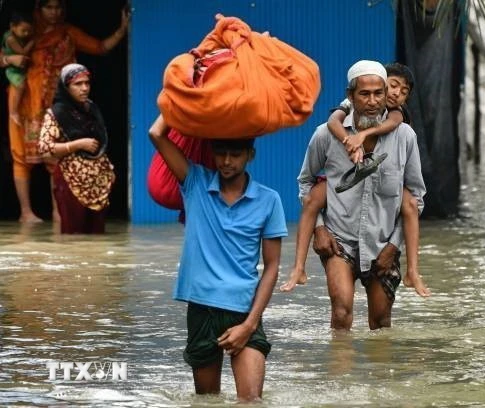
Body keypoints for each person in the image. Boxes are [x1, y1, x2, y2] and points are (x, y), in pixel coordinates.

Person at [148, 115, 287, 401]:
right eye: (220, 153)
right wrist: (184, 88)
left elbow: (272, 267)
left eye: (235, 154)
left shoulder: (269, 200)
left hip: (244, 311)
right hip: (201, 309)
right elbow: (156, 134)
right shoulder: (195, 182)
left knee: (251, 401)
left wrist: (249, 325)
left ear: (250, 154)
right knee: (207, 400)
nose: (226, 161)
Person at [296, 60, 426, 331]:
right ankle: (341, 374)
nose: (373, 101)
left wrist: (394, 244)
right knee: (341, 312)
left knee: (380, 323)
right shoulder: (326, 134)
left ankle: (378, 374)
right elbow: (306, 182)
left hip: (383, 241)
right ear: (350, 95)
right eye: (364, 94)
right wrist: (319, 229)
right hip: (339, 240)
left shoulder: (405, 137)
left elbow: (415, 197)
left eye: (379, 93)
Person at [6, 0, 129, 223]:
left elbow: (100, 47)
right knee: (21, 158)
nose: (54, 13)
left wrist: (122, 30)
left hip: (57, 105)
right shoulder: (25, 31)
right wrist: (9, 59)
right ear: (38, 8)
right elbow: (5, 52)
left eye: (58, 7)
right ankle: (26, 212)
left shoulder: (68, 33)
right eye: (49, 7)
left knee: (58, 157)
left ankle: (58, 211)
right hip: (24, 106)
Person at [37, 63, 114, 234]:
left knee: (97, 239)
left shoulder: (91, 108)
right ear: (66, 87)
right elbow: (44, 146)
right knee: (73, 237)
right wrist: (77, 145)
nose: (84, 88)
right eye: (78, 84)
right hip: (71, 181)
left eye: (87, 83)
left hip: (97, 183)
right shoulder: (56, 113)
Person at [2, 11, 34, 126]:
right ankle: (13, 111)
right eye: (23, 31)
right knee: (21, 86)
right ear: (12, 27)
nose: (26, 33)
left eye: (29, 31)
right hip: (13, 69)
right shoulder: (10, 39)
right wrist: (32, 42)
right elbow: (22, 52)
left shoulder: (19, 34)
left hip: (21, 67)